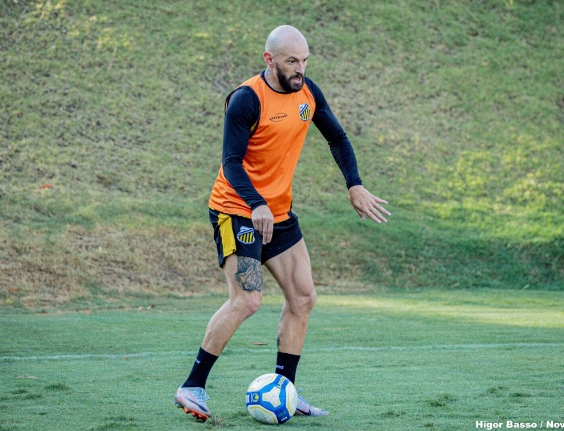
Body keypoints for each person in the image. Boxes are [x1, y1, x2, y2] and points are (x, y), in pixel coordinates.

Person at [174, 25, 390, 422]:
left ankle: (286, 390)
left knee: (304, 298)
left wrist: (354, 185)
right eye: (292, 61)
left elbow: (338, 139)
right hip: (236, 209)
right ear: (269, 59)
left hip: (278, 213)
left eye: (305, 60)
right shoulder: (246, 99)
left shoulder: (308, 93)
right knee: (248, 300)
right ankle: (193, 386)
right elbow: (231, 163)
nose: (300, 69)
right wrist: (256, 204)